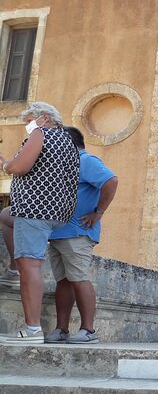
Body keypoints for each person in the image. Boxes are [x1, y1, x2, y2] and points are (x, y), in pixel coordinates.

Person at [0, 102, 80, 344]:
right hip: (57, 211)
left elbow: (20, 167)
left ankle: (32, 329)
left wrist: (6, 165)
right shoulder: (67, 140)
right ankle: (14, 269)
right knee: (5, 215)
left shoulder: (41, 132)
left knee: (30, 266)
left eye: (29, 120)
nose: (28, 126)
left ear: (44, 118)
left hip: (34, 209)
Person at [44, 126, 117, 344]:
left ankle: (88, 330)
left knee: (78, 279)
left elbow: (111, 181)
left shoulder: (85, 160)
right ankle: (62, 329)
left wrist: (98, 212)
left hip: (77, 231)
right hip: (58, 232)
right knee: (63, 281)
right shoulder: (65, 165)